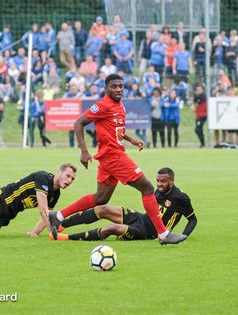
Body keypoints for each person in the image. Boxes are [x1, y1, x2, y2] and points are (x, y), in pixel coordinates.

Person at [48, 74, 187, 245]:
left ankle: (59, 215)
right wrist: (84, 151)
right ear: (106, 88)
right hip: (113, 156)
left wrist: (131, 140)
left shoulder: (119, 105)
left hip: (111, 156)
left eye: (121, 86)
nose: (119, 89)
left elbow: (115, 129)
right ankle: (163, 234)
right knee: (148, 188)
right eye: (114, 86)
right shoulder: (102, 105)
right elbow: (78, 123)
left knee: (101, 198)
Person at [52, 167, 197, 241]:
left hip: (149, 232)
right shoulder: (157, 190)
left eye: (163, 181)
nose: (159, 184)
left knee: (111, 228)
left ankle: (66, 238)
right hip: (141, 219)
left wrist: (183, 236)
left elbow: (192, 219)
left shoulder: (181, 198)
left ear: (172, 181)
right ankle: (61, 225)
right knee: (102, 209)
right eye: (158, 180)